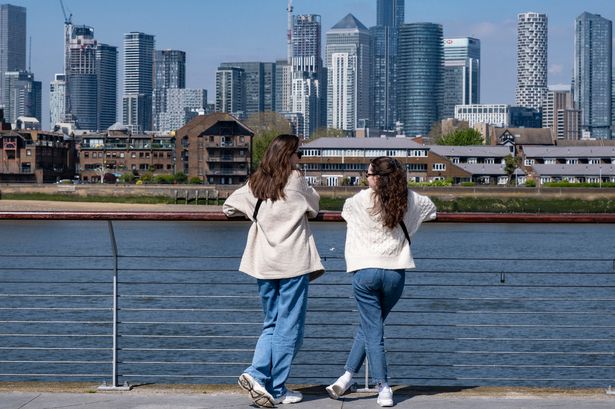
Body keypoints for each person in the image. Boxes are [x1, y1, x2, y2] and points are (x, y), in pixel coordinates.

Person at [326, 156, 436, 407]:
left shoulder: (359, 200)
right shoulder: (411, 199)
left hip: (365, 272)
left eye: (368, 175)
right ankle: (345, 378)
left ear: (376, 178)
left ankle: (383, 387)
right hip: (395, 272)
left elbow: (345, 211)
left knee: (372, 330)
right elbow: (431, 210)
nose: (366, 179)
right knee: (371, 328)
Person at [223, 134, 324, 408]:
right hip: (292, 262)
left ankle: (259, 379)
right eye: (298, 154)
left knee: (272, 323)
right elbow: (315, 206)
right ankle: (274, 386)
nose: (300, 159)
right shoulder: (296, 180)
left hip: (264, 263)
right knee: (289, 327)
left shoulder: (256, 181)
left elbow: (229, 206)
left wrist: (255, 214)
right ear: (288, 155)